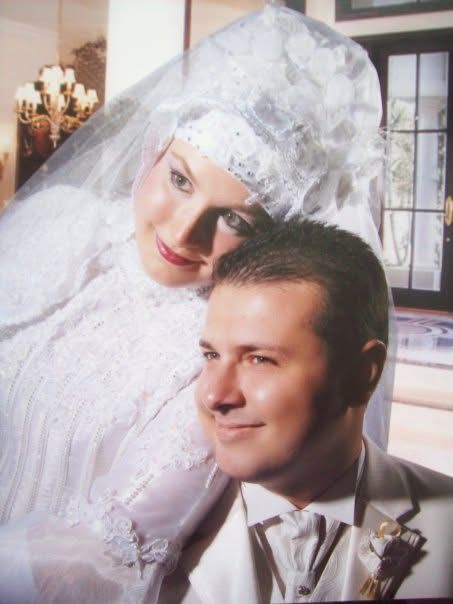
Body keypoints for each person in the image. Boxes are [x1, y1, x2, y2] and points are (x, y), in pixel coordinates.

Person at [0, 5, 391, 602]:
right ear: (153, 150)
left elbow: (93, 561)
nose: (183, 233)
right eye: (180, 179)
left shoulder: (225, 357)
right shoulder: (62, 222)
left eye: (235, 219)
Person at [168, 219, 453, 603]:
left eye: (259, 359)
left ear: (363, 374)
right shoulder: (158, 533)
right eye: (211, 355)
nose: (214, 395)